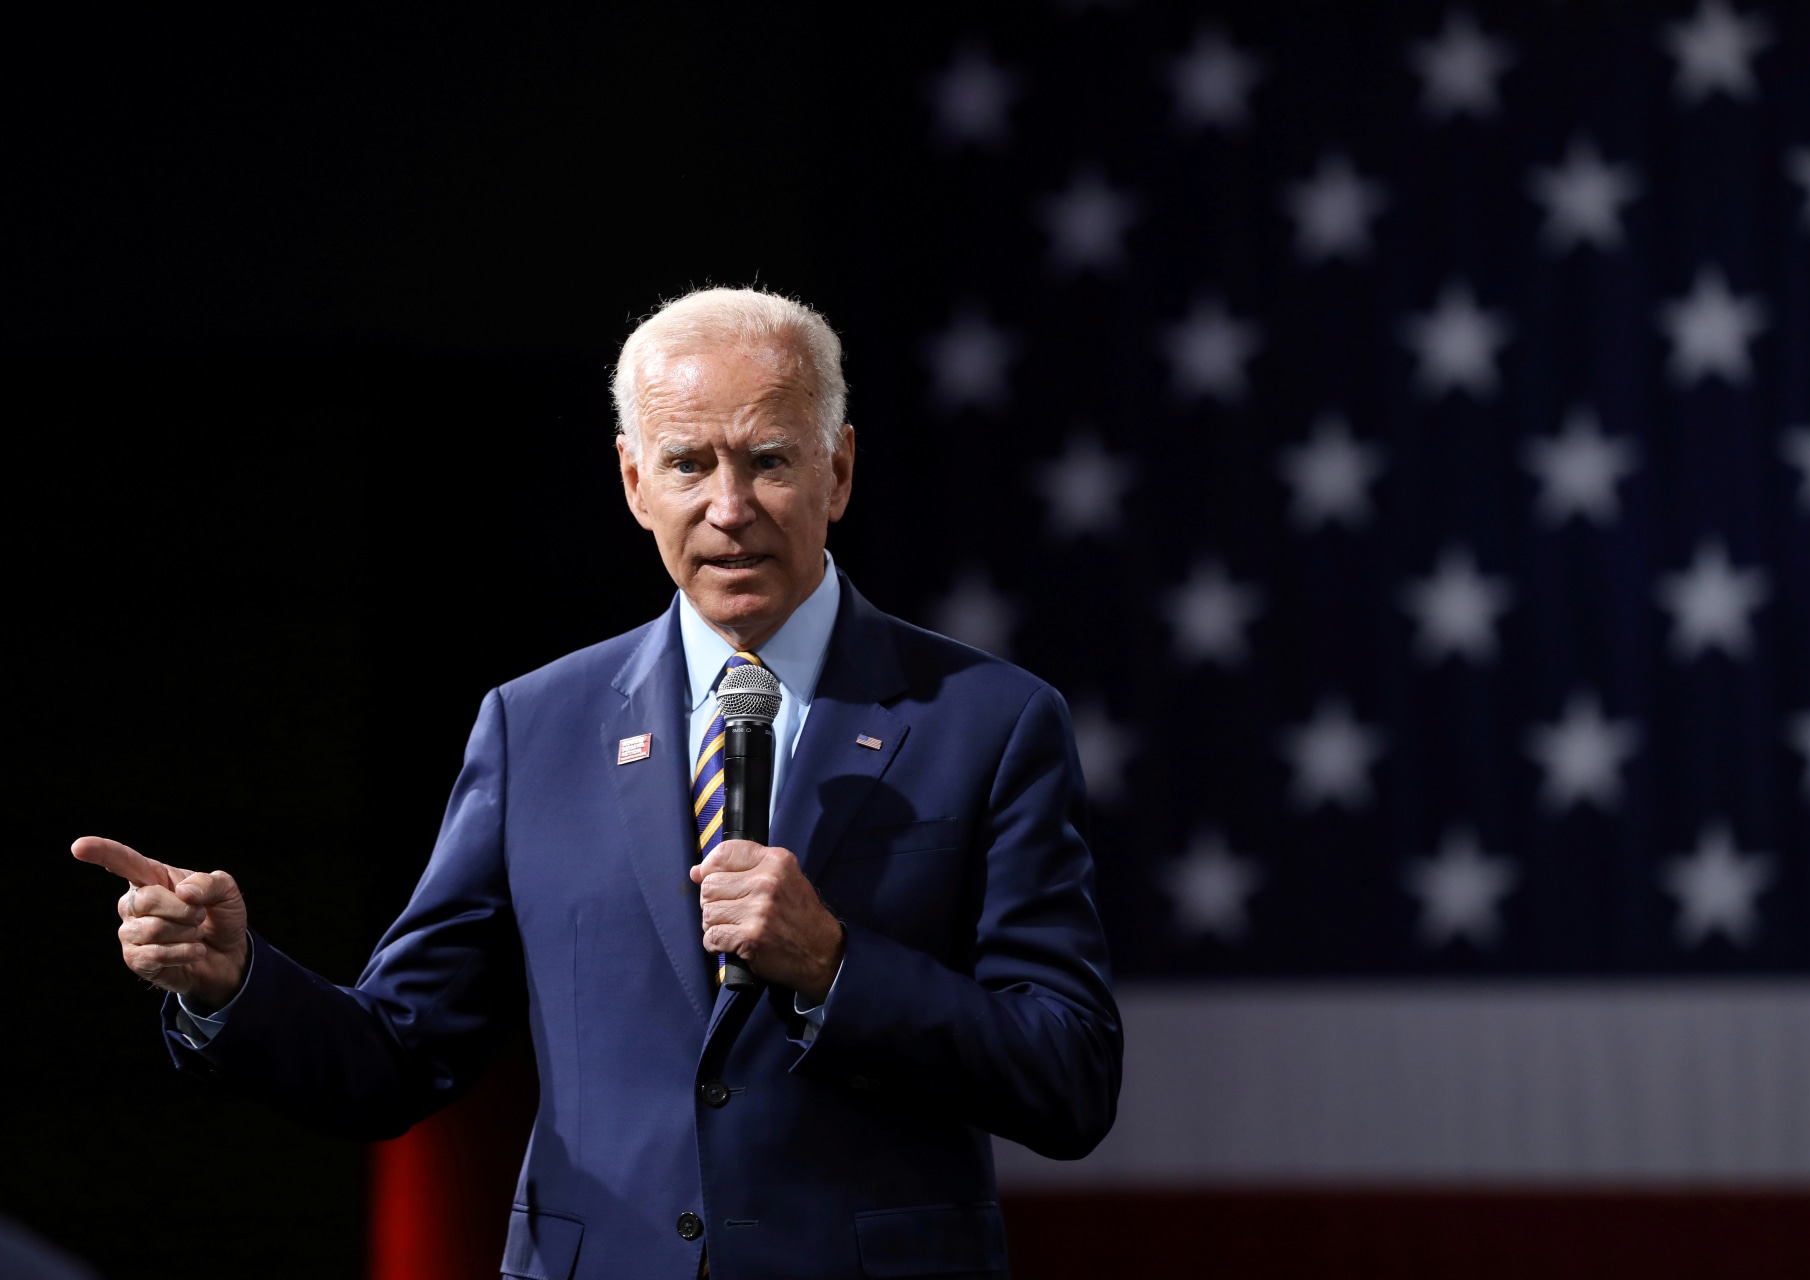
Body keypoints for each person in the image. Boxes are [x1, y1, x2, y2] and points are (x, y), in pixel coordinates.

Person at [74, 287, 1122, 1280]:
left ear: (839, 470)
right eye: (686, 463)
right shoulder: (537, 727)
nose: (729, 506)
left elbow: (1070, 1074)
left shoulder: (989, 719)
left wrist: (837, 963)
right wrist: (235, 980)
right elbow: (399, 1052)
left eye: (769, 459)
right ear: (632, 481)